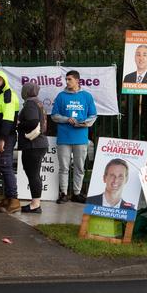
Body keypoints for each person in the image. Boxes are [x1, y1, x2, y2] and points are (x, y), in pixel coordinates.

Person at [51, 70, 97, 204]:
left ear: (78, 81)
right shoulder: (61, 96)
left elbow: (93, 115)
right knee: (64, 167)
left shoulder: (87, 96)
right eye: (66, 79)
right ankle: (63, 193)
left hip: (81, 137)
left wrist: (85, 123)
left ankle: (77, 193)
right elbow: (54, 116)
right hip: (64, 137)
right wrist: (66, 119)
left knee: (79, 167)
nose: (67, 82)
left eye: (70, 79)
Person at [0, 71, 20, 214]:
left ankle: (14, 201)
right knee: (3, 167)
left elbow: (8, 119)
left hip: (5, 137)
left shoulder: (8, 95)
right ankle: (8, 199)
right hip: (1, 136)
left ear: (5, 81)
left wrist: (2, 139)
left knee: (6, 167)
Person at [17, 83, 48, 213]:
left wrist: (19, 124)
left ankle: (35, 205)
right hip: (39, 144)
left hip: (33, 145)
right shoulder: (38, 102)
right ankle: (35, 203)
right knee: (33, 173)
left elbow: (33, 122)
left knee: (33, 174)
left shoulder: (30, 104)